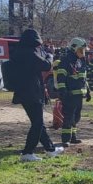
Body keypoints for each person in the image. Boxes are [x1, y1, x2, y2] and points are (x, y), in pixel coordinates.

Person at [10, 29, 63, 161]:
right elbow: (46, 66)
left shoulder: (19, 52)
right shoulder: (29, 53)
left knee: (38, 123)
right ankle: (27, 152)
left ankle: (50, 149)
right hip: (32, 92)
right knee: (38, 124)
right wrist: (50, 55)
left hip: (23, 92)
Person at [55, 38, 92, 145]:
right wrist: (63, 91)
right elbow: (61, 77)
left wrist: (88, 91)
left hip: (79, 95)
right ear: (74, 48)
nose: (83, 52)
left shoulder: (79, 61)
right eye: (81, 50)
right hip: (69, 94)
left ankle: (73, 137)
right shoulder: (65, 61)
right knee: (68, 117)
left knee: (76, 117)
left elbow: (83, 78)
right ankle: (66, 139)